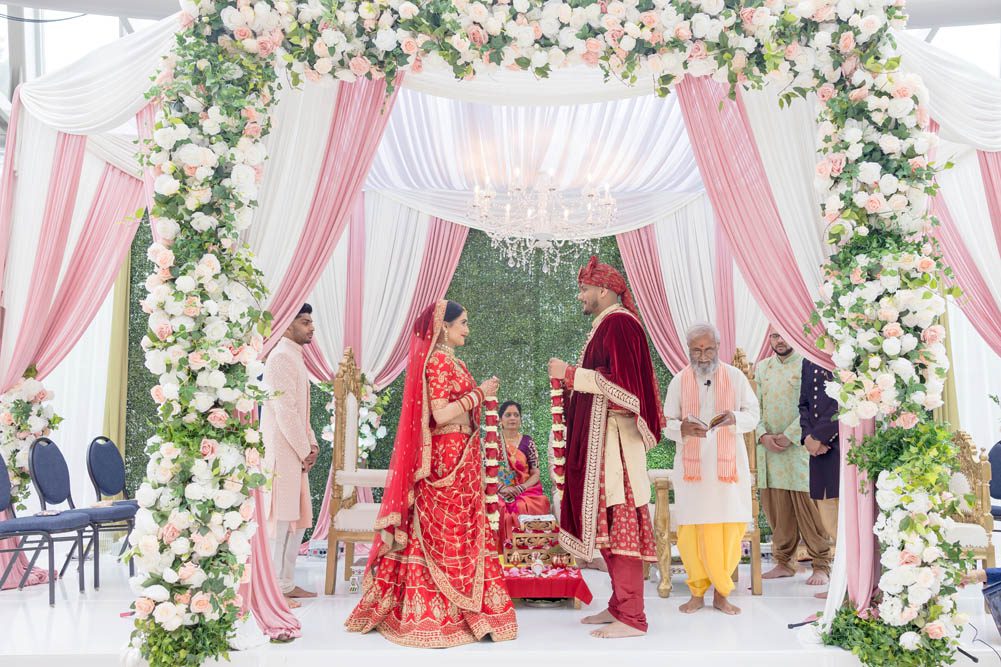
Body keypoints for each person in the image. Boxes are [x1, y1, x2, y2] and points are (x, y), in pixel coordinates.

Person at [345, 300, 517, 647]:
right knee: (443, 536)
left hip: (463, 457)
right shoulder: (438, 362)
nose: (467, 329)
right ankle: (436, 617)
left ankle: (471, 614)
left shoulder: (454, 361)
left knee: (464, 535)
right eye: (463, 323)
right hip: (446, 461)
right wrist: (479, 394)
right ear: (444, 327)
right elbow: (440, 415)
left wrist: (478, 396)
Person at [548, 256, 662, 639]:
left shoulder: (619, 325)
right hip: (602, 446)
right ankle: (618, 605)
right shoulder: (606, 326)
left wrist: (570, 374)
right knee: (608, 529)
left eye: (584, 289)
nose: (580, 296)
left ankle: (633, 617)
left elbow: (627, 390)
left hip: (616, 449)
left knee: (621, 524)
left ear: (603, 290)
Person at [664, 322, 760, 616]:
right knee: (691, 533)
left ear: (718, 348)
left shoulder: (736, 377)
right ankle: (696, 592)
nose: (703, 355)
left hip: (727, 473)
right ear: (688, 350)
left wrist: (734, 418)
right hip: (693, 473)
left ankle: (722, 593)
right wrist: (681, 427)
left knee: (728, 532)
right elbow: (666, 423)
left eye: (708, 349)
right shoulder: (679, 381)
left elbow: (753, 415)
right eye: (696, 349)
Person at [756, 330, 833, 586]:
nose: (780, 341)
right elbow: (754, 407)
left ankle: (821, 564)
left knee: (809, 509)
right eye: (775, 336)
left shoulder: (808, 362)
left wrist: (790, 435)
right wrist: (763, 435)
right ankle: (783, 562)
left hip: (800, 448)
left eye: (784, 335)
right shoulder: (762, 368)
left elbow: (812, 406)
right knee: (778, 509)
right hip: (770, 451)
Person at [261, 303, 320, 608]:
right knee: (280, 522)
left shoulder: (294, 357)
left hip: (295, 452)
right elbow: (285, 412)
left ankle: (285, 583)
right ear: (287, 324)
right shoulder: (281, 358)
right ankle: (273, 591)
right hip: (282, 452)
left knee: (296, 520)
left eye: (311, 322)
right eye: (305, 322)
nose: (311, 328)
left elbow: (300, 411)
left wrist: (311, 446)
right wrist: (303, 449)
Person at [495, 400, 552, 545]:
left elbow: (536, 473)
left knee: (538, 503)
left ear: (520, 419)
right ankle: (501, 550)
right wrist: (502, 488)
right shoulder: (492, 442)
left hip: (525, 489)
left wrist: (520, 488)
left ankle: (529, 551)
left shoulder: (528, 442)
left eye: (516, 415)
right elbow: (484, 471)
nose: (512, 418)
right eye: (508, 415)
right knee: (498, 506)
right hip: (499, 490)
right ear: (500, 419)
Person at [799, 358, 840, 547]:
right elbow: (804, 403)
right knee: (827, 510)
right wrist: (808, 437)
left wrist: (819, 436)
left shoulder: (843, 355)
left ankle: (851, 570)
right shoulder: (808, 359)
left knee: (844, 509)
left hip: (840, 444)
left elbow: (842, 402)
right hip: (817, 449)